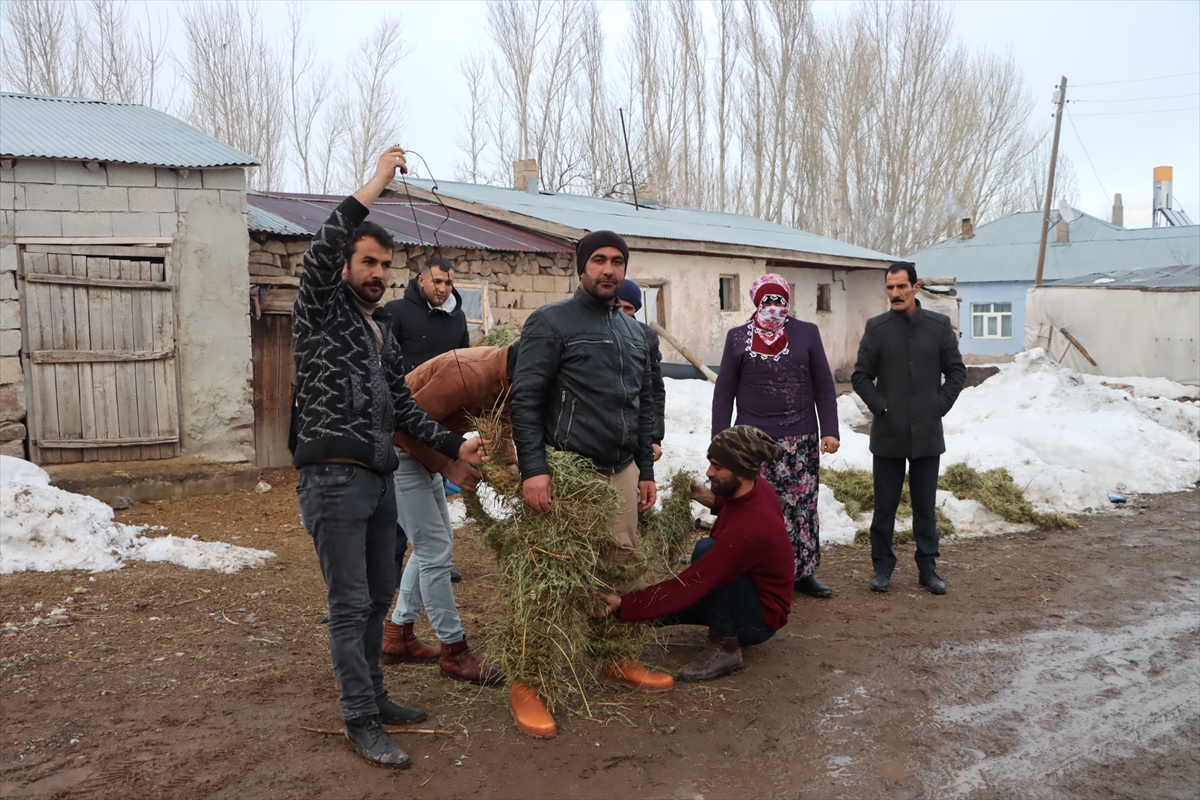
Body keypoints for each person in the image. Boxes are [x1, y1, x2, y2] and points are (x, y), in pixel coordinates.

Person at [291, 147, 485, 768]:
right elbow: (325, 244)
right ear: (345, 263)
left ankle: (376, 694)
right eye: (367, 261)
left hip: (376, 479)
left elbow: (403, 406)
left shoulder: (379, 330)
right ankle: (360, 719)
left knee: (376, 599)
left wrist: (456, 446)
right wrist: (377, 180)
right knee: (349, 604)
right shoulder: (320, 308)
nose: (377, 271)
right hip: (332, 476)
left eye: (384, 264)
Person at [508, 229, 669, 738]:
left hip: (621, 468)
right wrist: (534, 468)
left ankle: (613, 657)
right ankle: (527, 682)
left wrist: (644, 468)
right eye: (598, 260)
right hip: (565, 470)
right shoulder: (551, 323)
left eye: (617, 261)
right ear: (581, 267)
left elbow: (642, 408)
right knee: (548, 580)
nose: (608, 269)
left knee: (620, 566)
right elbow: (526, 401)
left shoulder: (636, 335)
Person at [597, 426, 795, 681]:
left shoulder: (746, 533)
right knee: (656, 610)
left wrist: (627, 603)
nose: (709, 472)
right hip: (745, 594)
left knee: (705, 551)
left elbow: (694, 582)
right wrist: (703, 494)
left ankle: (726, 648)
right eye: (710, 463)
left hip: (758, 621)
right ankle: (638, 612)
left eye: (717, 467)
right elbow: (735, 507)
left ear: (741, 472)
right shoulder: (758, 489)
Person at [381, 344, 520, 686]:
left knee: (434, 545)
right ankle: (455, 651)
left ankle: (398, 634)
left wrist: (511, 466)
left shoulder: (506, 377)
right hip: (399, 450)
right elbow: (401, 423)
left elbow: (499, 419)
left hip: (425, 451)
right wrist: (448, 464)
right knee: (434, 550)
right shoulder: (468, 372)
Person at [711, 274, 840, 599]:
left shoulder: (806, 333)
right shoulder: (738, 337)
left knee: (802, 507)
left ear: (787, 302)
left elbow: (824, 384)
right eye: (767, 300)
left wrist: (831, 430)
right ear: (757, 302)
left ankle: (803, 573)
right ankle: (758, 573)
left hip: (800, 439)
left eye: (779, 300)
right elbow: (724, 391)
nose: (773, 307)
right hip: (752, 443)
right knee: (758, 509)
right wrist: (719, 442)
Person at [851, 261, 966, 595]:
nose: (895, 293)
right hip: (889, 432)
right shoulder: (877, 328)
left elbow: (957, 372)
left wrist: (938, 405)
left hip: (927, 433)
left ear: (916, 287)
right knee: (884, 507)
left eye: (901, 286)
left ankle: (928, 568)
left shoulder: (939, 326)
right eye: (890, 287)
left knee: (925, 507)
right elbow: (860, 376)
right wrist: (881, 406)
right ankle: (882, 568)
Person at [383, 256, 469, 583]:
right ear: (421, 280)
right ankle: (391, 562)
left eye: (448, 283)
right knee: (398, 496)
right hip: (401, 420)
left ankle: (438, 561)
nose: (443, 289)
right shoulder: (396, 312)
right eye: (437, 281)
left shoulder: (457, 319)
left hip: (438, 422)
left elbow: (462, 364)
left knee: (433, 491)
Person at [617, 279, 665, 461]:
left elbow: (655, 390)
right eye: (617, 305)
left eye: (628, 308)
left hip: (636, 427)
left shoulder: (646, 337)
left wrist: (655, 437)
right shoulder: (591, 333)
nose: (622, 313)